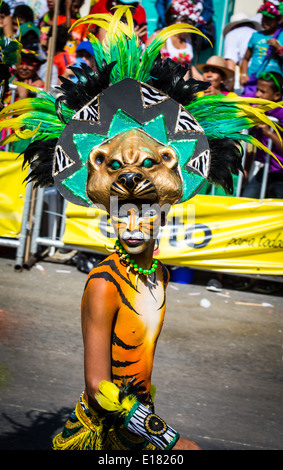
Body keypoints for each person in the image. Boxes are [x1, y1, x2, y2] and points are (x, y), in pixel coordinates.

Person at [1, 6, 281, 451]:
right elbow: (98, 386)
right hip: (108, 433)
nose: (132, 223)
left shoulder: (160, 275)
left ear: (166, 211)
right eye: (121, 210)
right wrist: (166, 439)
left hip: (137, 424)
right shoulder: (102, 283)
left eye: (144, 211)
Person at [242, 71, 283, 199]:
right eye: (257, 90)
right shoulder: (256, 106)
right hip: (264, 170)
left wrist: (269, 133)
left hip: (280, 174)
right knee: (246, 201)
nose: (258, 95)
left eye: (263, 92)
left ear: (276, 96)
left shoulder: (280, 113)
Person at [146, 0, 205, 78]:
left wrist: (203, 81)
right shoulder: (159, 36)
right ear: (176, 21)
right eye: (188, 24)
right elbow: (145, 62)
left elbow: (189, 67)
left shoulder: (188, 39)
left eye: (192, 24)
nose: (190, 28)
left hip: (180, 85)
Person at [240, 2, 283, 96]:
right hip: (254, 80)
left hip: (274, 83)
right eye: (264, 18)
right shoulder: (256, 36)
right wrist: (244, 75)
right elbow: (246, 58)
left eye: (269, 19)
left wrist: (278, 47)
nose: (265, 21)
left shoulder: (281, 36)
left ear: (278, 20)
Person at [223, 12, 261, 92]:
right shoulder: (257, 34)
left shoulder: (232, 34)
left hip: (249, 76)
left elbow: (230, 63)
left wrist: (228, 90)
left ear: (233, 27)